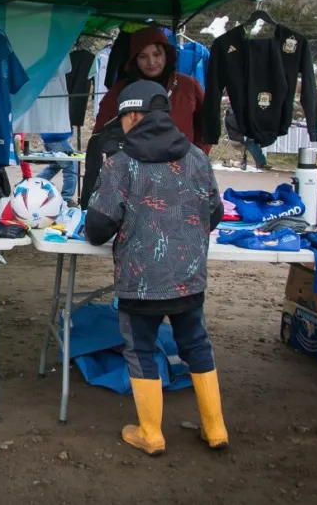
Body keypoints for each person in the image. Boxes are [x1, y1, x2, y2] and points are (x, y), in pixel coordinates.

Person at [85, 80, 227, 457]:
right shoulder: (197, 157)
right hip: (188, 279)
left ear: (133, 116)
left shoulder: (121, 164)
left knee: (141, 349)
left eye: (124, 119)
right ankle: (215, 428)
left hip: (140, 281)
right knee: (196, 344)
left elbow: (97, 229)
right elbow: (214, 213)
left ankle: (151, 433)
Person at [94, 28, 209, 153]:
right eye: (143, 56)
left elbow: (206, 127)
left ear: (166, 53)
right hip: (135, 168)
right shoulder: (121, 91)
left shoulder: (188, 86)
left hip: (182, 167)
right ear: (134, 59)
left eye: (156, 54)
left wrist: (195, 157)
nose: (151, 62)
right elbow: (101, 133)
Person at [37, 131, 78, 206]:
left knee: (55, 166)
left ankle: (34, 183)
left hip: (48, 138)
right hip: (59, 137)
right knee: (70, 168)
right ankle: (66, 199)